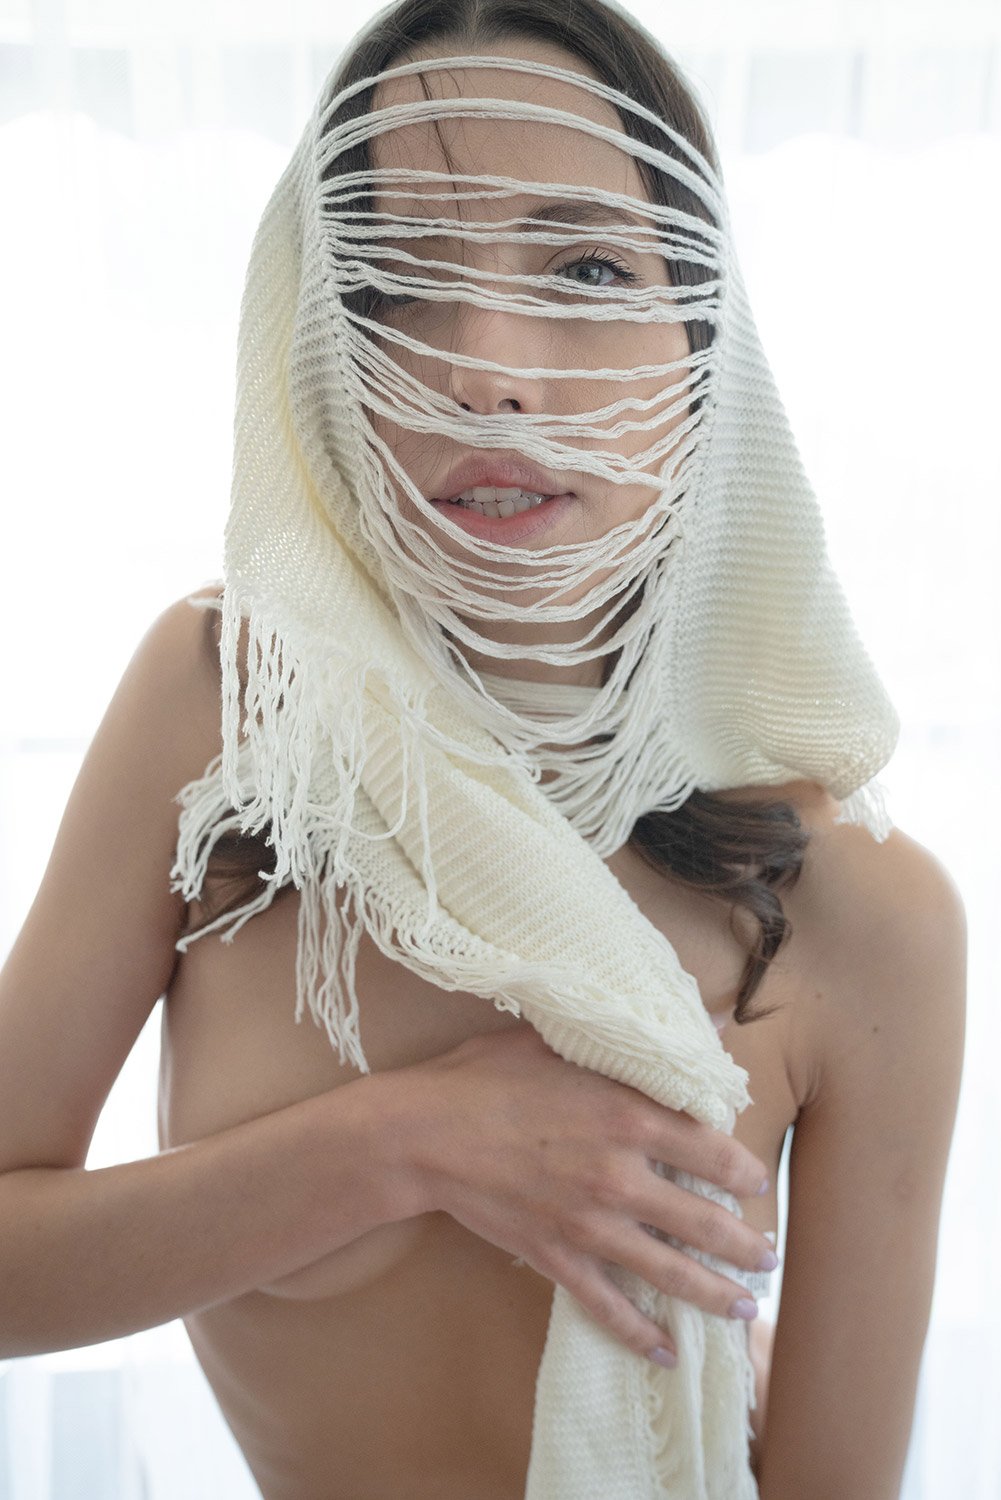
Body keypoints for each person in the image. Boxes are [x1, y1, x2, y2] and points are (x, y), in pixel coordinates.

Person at [0, 2, 966, 1497]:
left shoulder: (866, 912)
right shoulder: (230, 710)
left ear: (701, 339)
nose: (487, 372)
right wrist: (413, 1142)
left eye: (585, 270)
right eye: (398, 284)